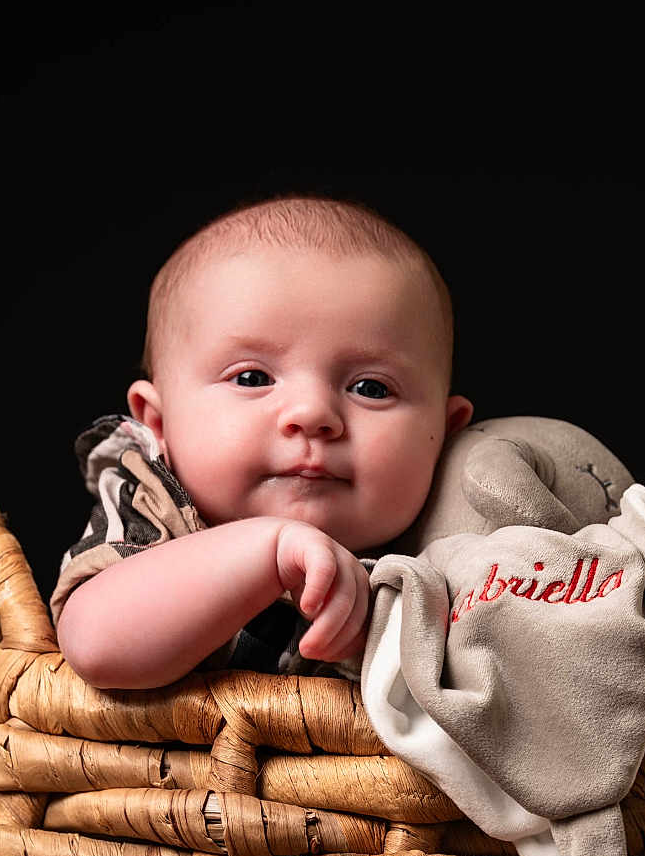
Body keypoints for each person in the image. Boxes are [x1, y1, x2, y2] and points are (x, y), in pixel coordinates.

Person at [51, 196, 474, 689]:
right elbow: (94, 646)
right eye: (252, 378)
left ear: (445, 434)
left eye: (371, 389)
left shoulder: (455, 545)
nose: (314, 414)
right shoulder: (153, 506)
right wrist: (266, 553)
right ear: (159, 422)